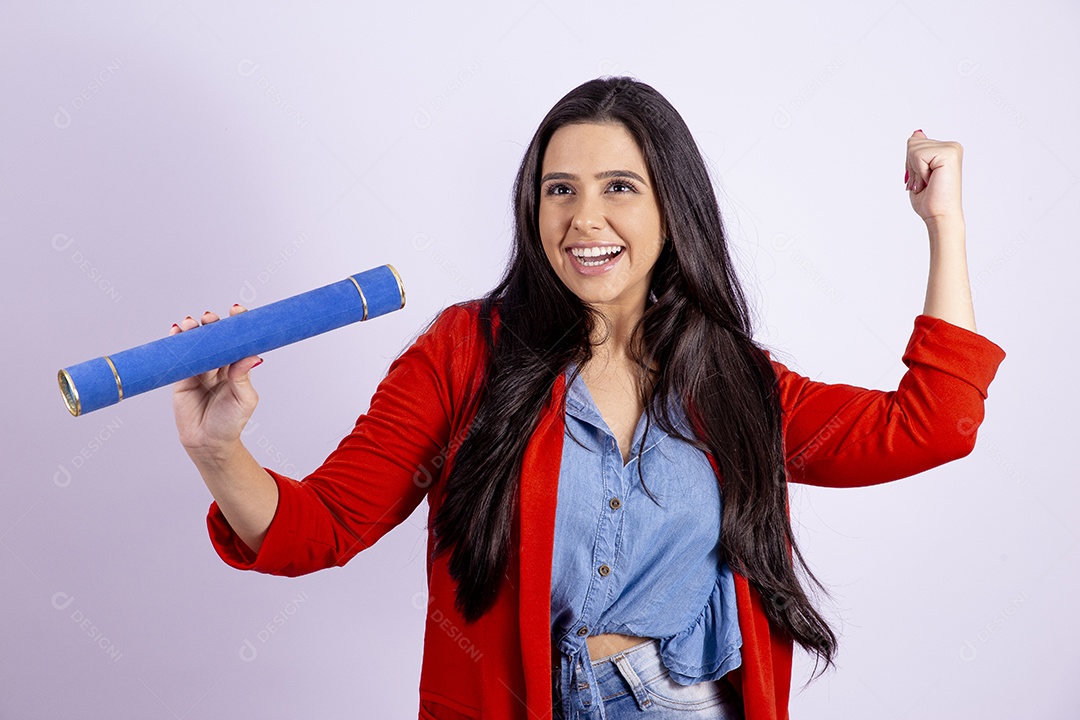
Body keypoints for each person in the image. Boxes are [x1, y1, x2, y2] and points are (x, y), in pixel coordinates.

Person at [171, 77, 1005, 719]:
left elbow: (933, 424)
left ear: (672, 207)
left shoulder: (733, 381)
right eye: (559, 189)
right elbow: (320, 527)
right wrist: (219, 450)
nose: (583, 218)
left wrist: (945, 221)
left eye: (619, 186)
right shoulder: (463, 354)